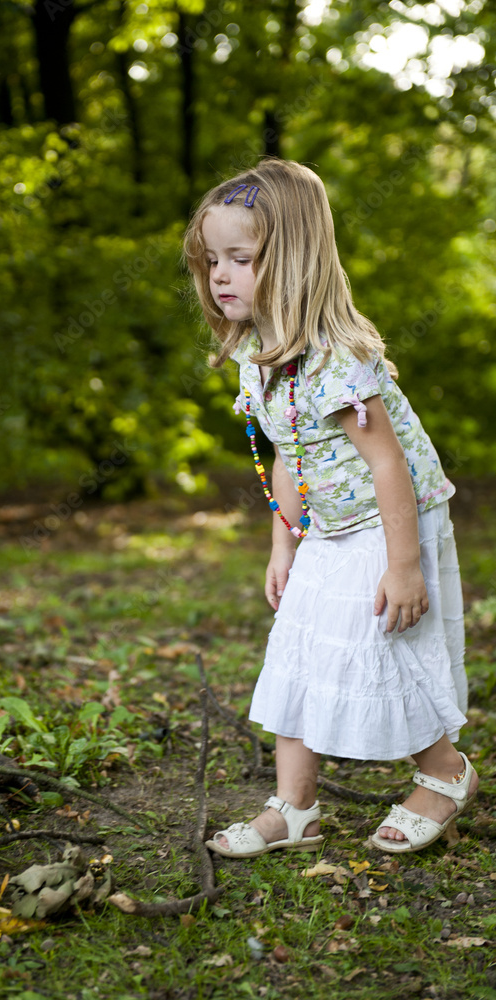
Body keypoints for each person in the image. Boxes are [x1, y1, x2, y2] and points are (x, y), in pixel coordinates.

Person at [183, 157, 478, 857]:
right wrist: (284, 542)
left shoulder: (334, 360)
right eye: (210, 260)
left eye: (240, 258)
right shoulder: (258, 353)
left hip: (388, 519)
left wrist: (403, 566)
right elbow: (286, 454)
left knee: (380, 644)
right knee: (297, 645)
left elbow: (388, 466)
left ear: (290, 262)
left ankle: (444, 772)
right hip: (327, 526)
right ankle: (293, 807)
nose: (219, 275)